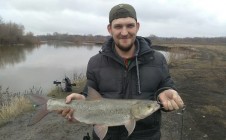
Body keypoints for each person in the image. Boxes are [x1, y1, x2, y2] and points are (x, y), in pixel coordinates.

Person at [59, 3, 184, 140]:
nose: (124, 32)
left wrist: (166, 93)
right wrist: (82, 99)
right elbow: (90, 92)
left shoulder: (157, 59)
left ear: (137, 26)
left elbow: (165, 86)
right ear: (109, 29)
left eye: (130, 25)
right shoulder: (95, 62)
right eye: (118, 26)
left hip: (147, 136)